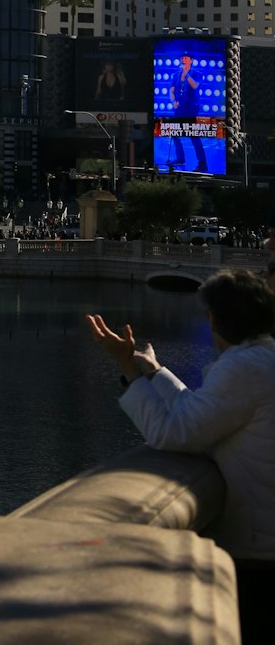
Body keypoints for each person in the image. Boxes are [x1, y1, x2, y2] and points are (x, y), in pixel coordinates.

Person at [86, 271, 275, 642]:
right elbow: (200, 412)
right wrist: (154, 372)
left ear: (217, 320)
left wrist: (125, 365)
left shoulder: (243, 368)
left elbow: (171, 433)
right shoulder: (263, 358)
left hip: (258, 554)